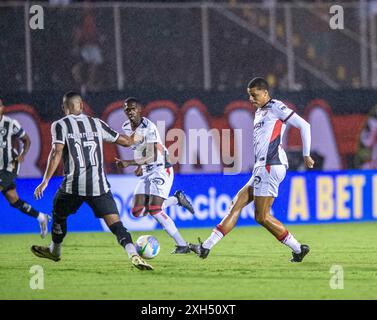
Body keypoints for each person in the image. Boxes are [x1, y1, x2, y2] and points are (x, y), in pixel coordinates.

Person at [189, 77, 315, 262]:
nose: (251, 99)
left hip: (271, 166)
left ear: (265, 93)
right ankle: (205, 247)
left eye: (255, 95)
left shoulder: (276, 107)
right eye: (249, 96)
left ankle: (298, 248)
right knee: (236, 204)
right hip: (261, 167)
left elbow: (305, 125)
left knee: (262, 217)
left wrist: (306, 155)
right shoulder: (260, 112)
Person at [31, 91, 153, 270]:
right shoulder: (96, 123)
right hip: (99, 187)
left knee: (58, 213)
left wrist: (45, 181)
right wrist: (143, 130)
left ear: (64, 108)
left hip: (73, 187)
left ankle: (55, 251)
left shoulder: (60, 125)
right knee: (116, 224)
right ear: (81, 106)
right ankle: (133, 254)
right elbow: (127, 142)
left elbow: (57, 152)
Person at [115, 97, 193, 254]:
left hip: (160, 167)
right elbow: (139, 147)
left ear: (139, 109)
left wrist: (130, 163)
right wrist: (140, 167)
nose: (130, 111)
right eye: (127, 109)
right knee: (137, 212)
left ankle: (182, 244)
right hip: (147, 169)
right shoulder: (126, 126)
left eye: (133, 108)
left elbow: (151, 156)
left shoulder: (148, 127)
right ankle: (177, 199)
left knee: (155, 209)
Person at [0, 96, 50, 238]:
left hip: (9, 166)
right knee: (14, 200)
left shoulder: (10, 124)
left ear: (3, 109)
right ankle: (41, 217)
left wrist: (23, 154)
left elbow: (26, 140)